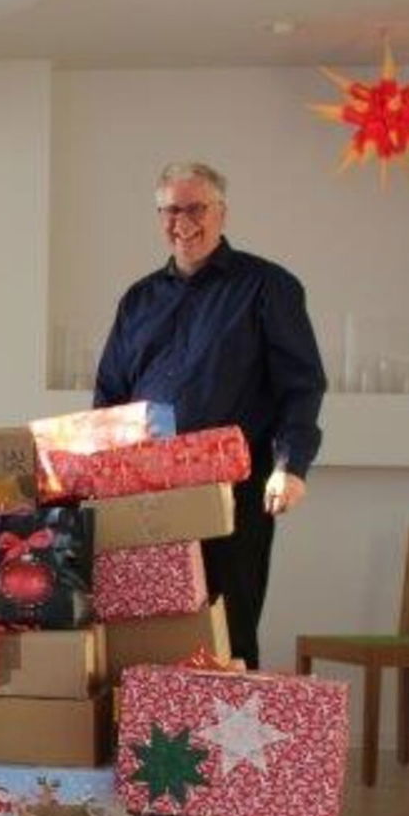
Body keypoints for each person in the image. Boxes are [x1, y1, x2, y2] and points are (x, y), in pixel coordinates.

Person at [94, 162, 327, 669]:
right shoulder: (138, 299)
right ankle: (154, 722)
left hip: (232, 493)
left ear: (221, 212)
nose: (182, 222)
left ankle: (228, 724)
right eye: (170, 210)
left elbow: (301, 386)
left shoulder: (268, 287)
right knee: (146, 633)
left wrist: (290, 467)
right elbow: (109, 396)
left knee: (229, 632)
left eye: (195, 208)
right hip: (147, 496)